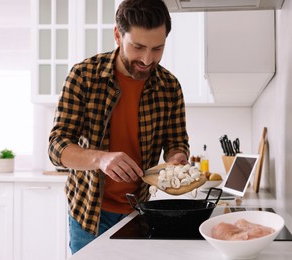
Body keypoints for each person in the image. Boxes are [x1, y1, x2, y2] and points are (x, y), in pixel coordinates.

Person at [48, 0, 189, 254]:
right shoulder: (83, 76)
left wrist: (176, 157)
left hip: (139, 213)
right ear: (117, 35)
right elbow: (57, 147)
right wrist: (101, 159)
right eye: (138, 47)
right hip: (89, 216)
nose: (147, 59)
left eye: (158, 49)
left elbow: (176, 143)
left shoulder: (170, 87)